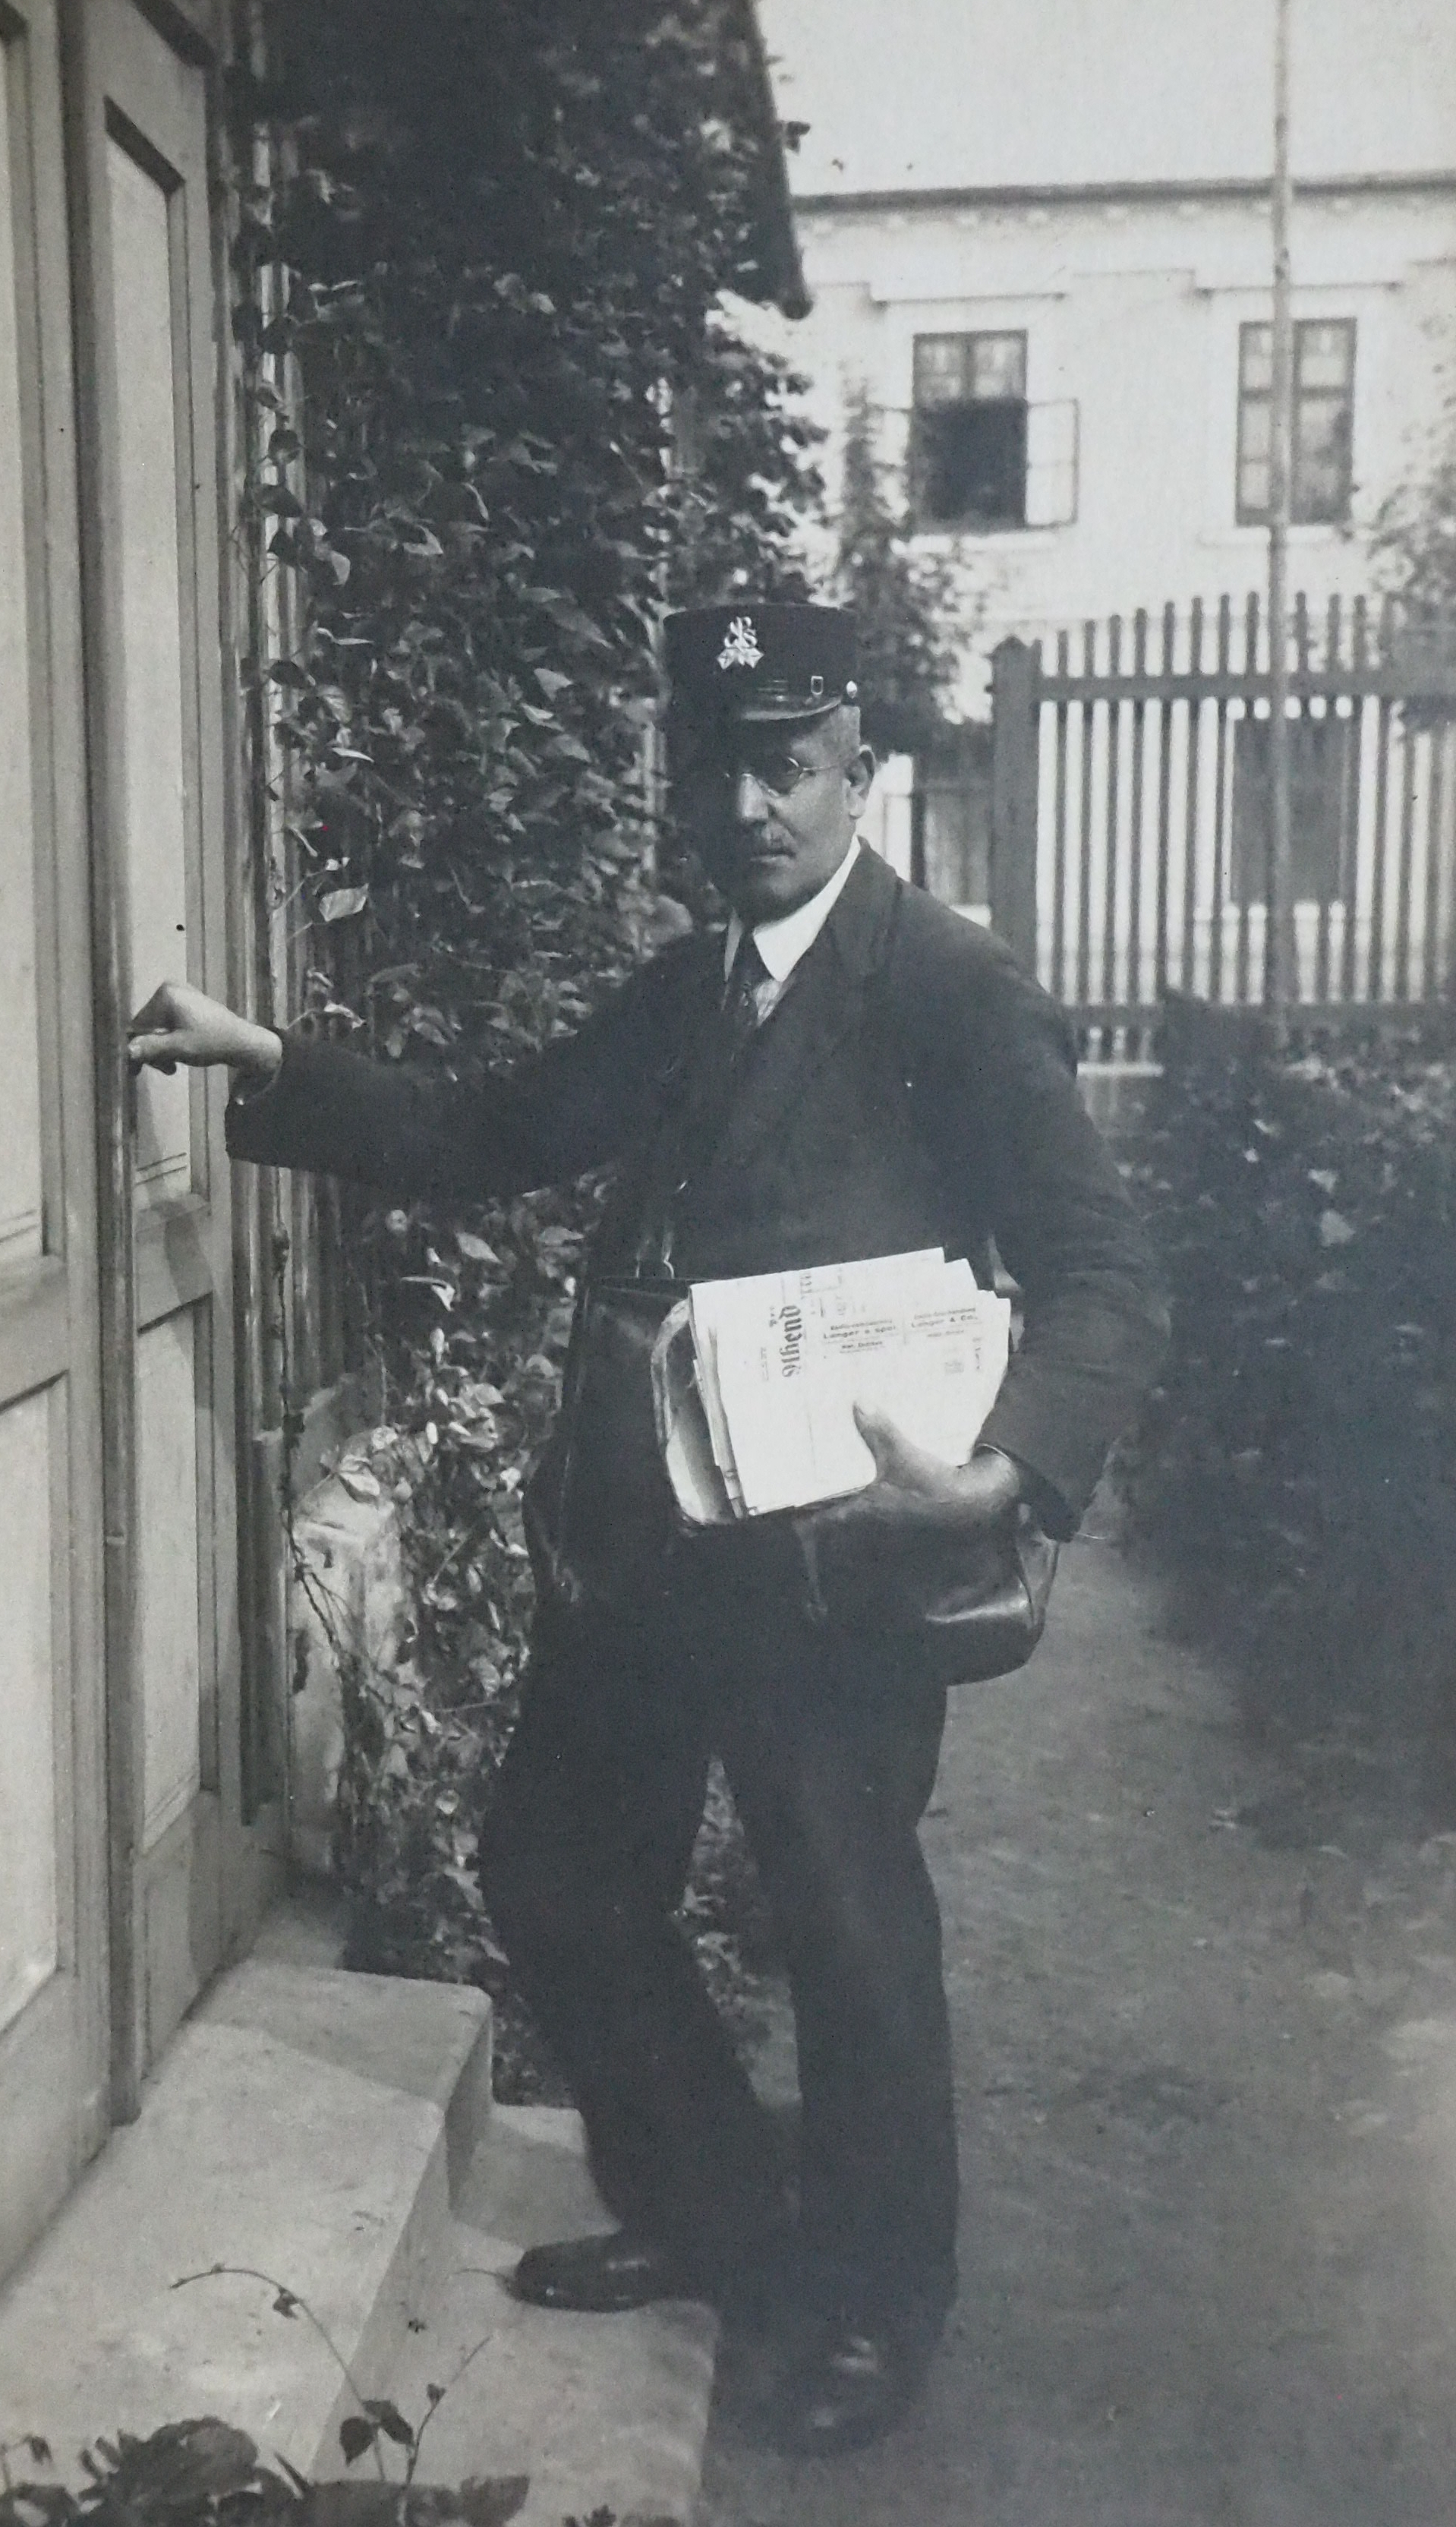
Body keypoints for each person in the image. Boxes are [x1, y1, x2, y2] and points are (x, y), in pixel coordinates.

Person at [130, 601, 1168, 2456]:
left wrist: (1006, 1472)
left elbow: (1102, 1271)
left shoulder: (943, 985)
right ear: (679, 784)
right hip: (649, 1547)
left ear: (857, 773)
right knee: (556, 1866)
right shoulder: (693, 985)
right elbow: (492, 1126)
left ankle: (875, 2298)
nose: (751, 805)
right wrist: (264, 1056)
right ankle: (715, 2213)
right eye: (719, 769)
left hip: (839, 1564)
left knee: (845, 1922)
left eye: (789, 765)